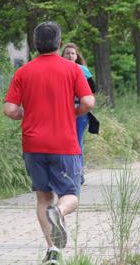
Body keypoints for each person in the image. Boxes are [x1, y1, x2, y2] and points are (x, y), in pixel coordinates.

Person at [4, 22, 95, 265]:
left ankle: (53, 250)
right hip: (64, 142)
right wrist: (73, 112)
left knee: (43, 198)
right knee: (70, 194)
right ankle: (60, 212)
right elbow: (88, 102)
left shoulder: (23, 72)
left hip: (33, 145)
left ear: (35, 43)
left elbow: (10, 109)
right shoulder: (72, 70)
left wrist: (28, 114)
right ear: (58, 41)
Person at [61, 42, 97, 183]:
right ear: (62, 56)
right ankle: (66, 172)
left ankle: (78, 172)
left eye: (72, 53)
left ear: (77, 56)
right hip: (62, 111)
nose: (70, 55)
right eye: (67, 53)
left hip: (79, 110)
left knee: (76, 140)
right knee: (63, 141)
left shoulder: (83, 70)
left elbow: (92, 89)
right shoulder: (59, 69)